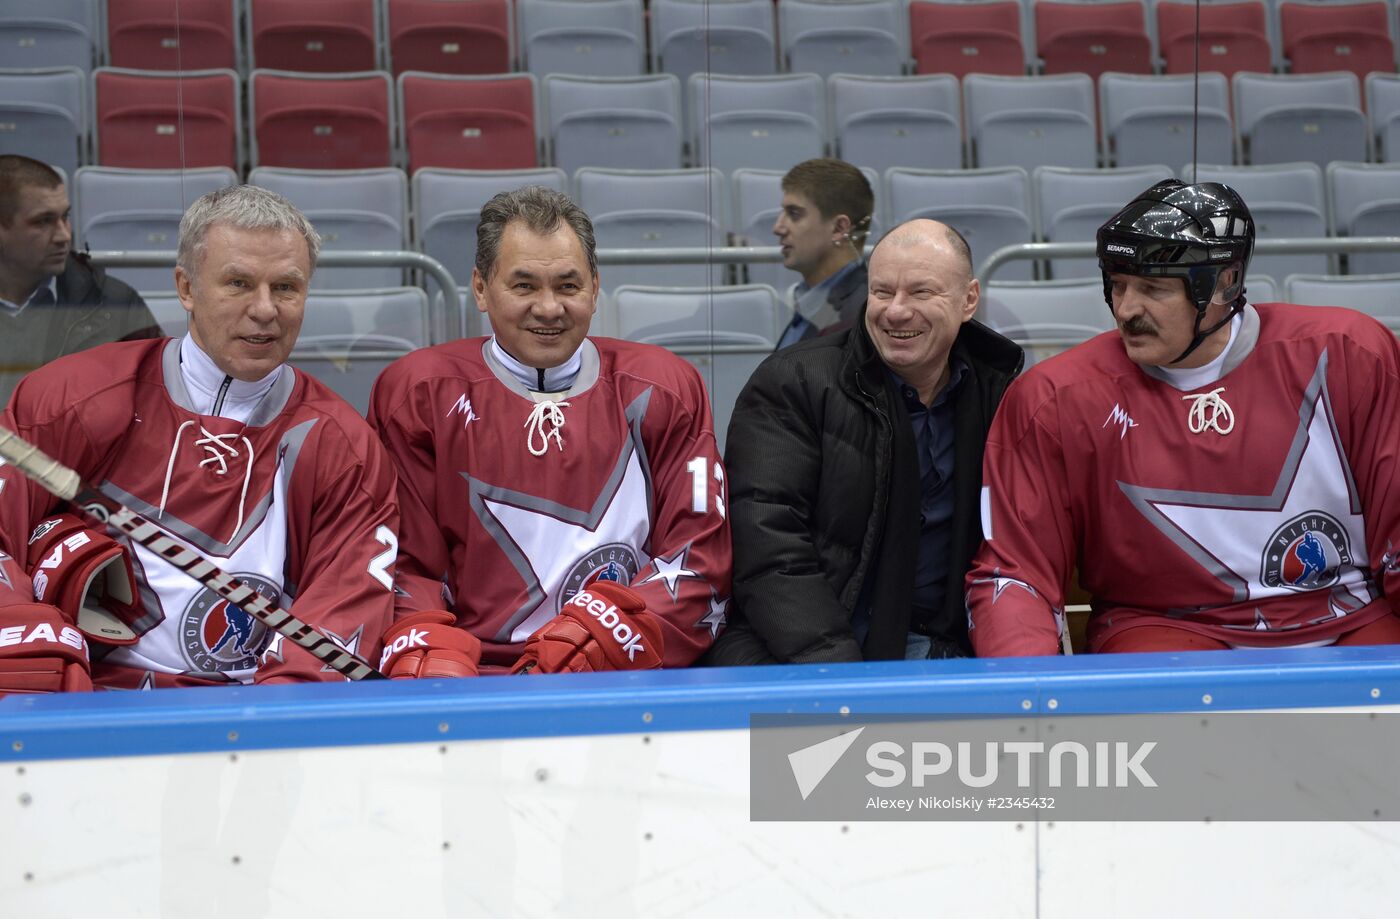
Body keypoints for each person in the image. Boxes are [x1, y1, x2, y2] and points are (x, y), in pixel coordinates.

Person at [967, 179, 1400, 656]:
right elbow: (1014, 572)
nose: (1127, 309)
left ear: (1224, 283)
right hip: (1163, 630)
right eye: (1117, 285)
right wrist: (1029, 702)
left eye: (1153, 288)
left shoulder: (1349, 355)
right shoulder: (1053, 399)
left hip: (1349, 619)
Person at [0, 184, 401, 692]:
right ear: (186, 288)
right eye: (237, 283)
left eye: (286, 288)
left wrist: (266, 731)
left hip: (250, 715)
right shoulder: (70, 397)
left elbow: (342, 617)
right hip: (89, 706)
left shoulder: (344, 444)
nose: (264, 310)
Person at [368, 185, 731, 675]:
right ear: (480, 288)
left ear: (595, 289)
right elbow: (398, 560)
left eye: (567, 285)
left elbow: (699, 556)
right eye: (523, 286)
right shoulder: (418, 394)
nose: (548, 308)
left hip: (624, 671)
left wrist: (600, 644)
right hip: (478, 680)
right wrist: (429, 654)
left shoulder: (663, 387)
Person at [709, 219, 1023, 665]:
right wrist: (841, 673)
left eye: (920, 292)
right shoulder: (793, 382)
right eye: (881, 292)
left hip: (948, 647)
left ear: (969, 299)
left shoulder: (1001, 392)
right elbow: (769, 549)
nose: (896, 311)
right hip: (810, 652)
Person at [0, 154, 161, 404]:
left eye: (65, 217)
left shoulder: (116, 304)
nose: (64, 236)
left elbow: (155, 408)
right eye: (43, 222)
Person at [771, 158, 875, 348]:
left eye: (794, 214)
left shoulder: (862, 315)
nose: (777, 227)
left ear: (838, 228)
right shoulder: (813, 302)